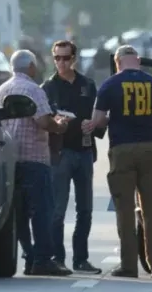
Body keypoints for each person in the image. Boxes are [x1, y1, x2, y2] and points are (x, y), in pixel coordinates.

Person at [82, 45, 152, 279]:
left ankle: (129, 266)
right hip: (149, 149)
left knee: (124, 209)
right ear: (139, 61)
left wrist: (115, 117)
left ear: (117, 62)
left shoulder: (110, 85)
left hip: (121, 149)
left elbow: (98, 121)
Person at [0, 49, 71, 276]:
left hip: (10, 160)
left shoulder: (1, 91)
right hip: (35, 159)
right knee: (42, 211)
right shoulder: (33, 90)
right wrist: (61, 124)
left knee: (19, 213)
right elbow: (44, 122)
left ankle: (29, 256)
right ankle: (43, 259)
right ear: (30, 67)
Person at [41, 40, 105, 275]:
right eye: (57, 58)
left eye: (66, 58)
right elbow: (41, 120)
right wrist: (56, 123)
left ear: (74, 59)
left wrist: (94, 124)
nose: (61, 63)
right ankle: (57, 257)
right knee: (57, 209)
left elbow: (100, 117)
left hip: (84, 151)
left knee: (85, 209)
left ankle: (81, 258)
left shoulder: (87, 85)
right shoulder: (48, 87)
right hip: (60, 153)